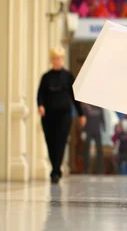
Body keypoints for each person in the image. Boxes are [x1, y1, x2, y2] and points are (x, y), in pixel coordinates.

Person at [37, 47, 86, 184]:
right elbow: (40, 94)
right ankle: (55, 168)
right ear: (51, 60)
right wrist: (40, 105)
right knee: (51, 143)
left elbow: (74, 96)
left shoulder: (68, 76)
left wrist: (81, 114)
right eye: (54, 58)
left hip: (64, 116)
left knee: (61, 142)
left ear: (62, 60)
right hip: (48, 116)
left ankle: (56, 171)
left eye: (59, 58)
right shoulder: (46, 77)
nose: (56, 61)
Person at [82, 104, 105, 174]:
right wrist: (83, 131)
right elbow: (83, 119)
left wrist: (104, 129)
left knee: (99, 151)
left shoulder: (100, 108)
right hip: (88, 130)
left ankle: (100, 170)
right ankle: (86, 170)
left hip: (97, 131)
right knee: (86, 151)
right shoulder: (86, 107)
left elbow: (102, 119)